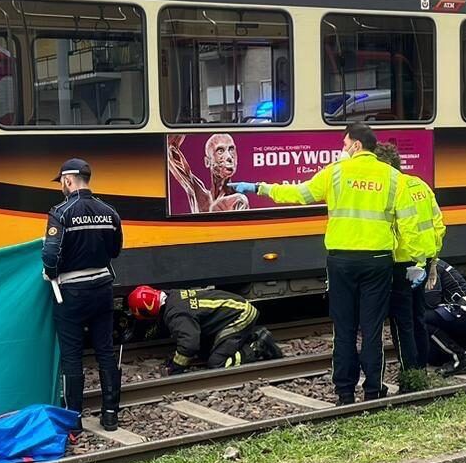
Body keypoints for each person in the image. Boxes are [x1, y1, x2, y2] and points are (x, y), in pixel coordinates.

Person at [230, 122, 414, 405]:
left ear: (356, 145)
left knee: (344, 329)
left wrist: (258, 187)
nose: (342, 149)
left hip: (341, 261)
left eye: (344, 144)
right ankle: (374, 389)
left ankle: (344, 392)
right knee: (372, 328)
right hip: (378, 262)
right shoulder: (393, 178)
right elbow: (408, 223)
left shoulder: (336, 174)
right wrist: (415, 260)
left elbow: (298, 194)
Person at [43, 158, 125, 433]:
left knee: (71, 356)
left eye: (61, 183)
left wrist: (51, 271)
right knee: (105, 352)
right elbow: (115, 251)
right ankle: (111, 416)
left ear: (68, 180)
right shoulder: (109, 211)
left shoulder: (61, 212)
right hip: (102, 288)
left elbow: (50, 255)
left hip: (71, 293)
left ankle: (73, 421)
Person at [125, 286, 283, 374]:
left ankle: (257, 348)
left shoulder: (176, 314)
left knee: (217, 363)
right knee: (205, 352)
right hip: (233, 311)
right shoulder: (172, 296)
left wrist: (176, 366)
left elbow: (189, 344)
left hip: (241, 315)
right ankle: (248, 338)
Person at [388, 171, 446, 392]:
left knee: (402, 321)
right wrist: (431, 260)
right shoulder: (419, 184)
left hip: (403, 261)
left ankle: (410, 375)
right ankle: (420, 370)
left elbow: (405, 227)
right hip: (424, 258)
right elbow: (438, 224)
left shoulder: (393, 188)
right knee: (417, 316)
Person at [166, 134, 251, 213]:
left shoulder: (238, 200)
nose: (229, 157)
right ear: (207, 162)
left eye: (231, 149)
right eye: (220, 151)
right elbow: (169, 149)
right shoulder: (198, 194)